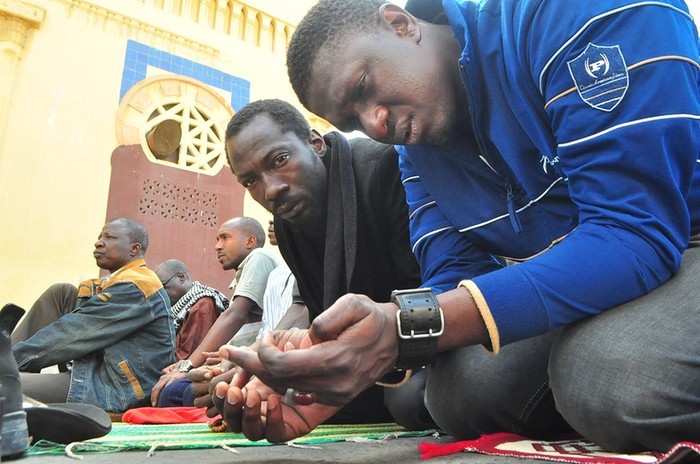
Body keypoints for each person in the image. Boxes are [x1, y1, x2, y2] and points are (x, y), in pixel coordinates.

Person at [213, 0, 700, 453]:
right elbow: (452, 275)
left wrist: (400, 329)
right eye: (354, 122)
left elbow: (631, 231)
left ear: (400, 25)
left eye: (363, 87)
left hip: (680, 238)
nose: (376, 124)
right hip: (594, 265)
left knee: (610, 379)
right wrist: (335, 357)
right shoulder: (415, 152)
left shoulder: (565, 15)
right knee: (457, 393)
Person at [223, 98, 436, 426]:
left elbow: (433, 294)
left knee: (409, 399)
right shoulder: (288, 224)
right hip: (361, 360)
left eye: (280, 160)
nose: (271, 190)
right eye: (251, 181)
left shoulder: (386, 168)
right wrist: (271, 365)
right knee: (252, 394)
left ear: (315, 143)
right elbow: (320, 317)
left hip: (428, 341)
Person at [11, 217, 175, 412]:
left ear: (134, 249)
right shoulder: (112, 282)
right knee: (61, 292)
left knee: (5, 387)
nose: (99, 243)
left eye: (110, 237)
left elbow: (73, 332)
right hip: (93, 370)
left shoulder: (138, 286)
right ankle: (7, 360)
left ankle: (8, 363)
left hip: (115, 389)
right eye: (99, 237)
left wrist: (17, 358)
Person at [151, 216, 279, 406]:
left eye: (225, 238)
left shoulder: (259, 257)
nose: (217, 246)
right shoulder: (246, 270)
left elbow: (235, 315)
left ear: (250, 241)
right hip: (237, 361)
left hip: (252, 364)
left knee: (173, 393)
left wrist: (187, 366)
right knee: (174, 390)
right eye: (217, 240)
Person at [154, 259, 230, 360]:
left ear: (181, 277)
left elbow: (188, 354)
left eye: (164, 287)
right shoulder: (181, 306)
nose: (162, 295)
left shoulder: (202, 305)